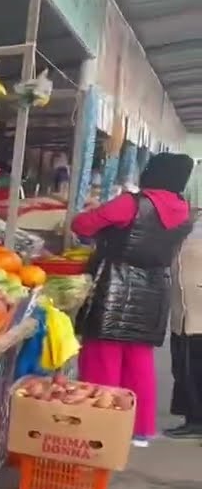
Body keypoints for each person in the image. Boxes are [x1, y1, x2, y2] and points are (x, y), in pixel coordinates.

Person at [72, 152, 195, 446]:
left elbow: (83, 225)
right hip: (155, 288)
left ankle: (100, 428)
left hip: (116, 284)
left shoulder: (132, 203)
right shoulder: (184, 210)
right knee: (140, 359)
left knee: (103, 355)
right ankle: (140, 430)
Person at [167, 159, 202, 438]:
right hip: (184, 308)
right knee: (183, 363)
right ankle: (191, 417)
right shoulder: (190, 223)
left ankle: (196, 422)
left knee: (193, 365)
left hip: (197, 312)